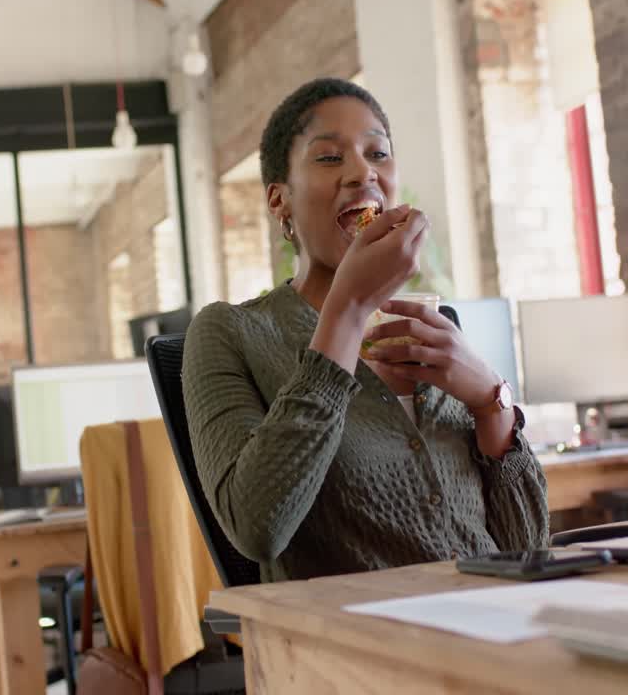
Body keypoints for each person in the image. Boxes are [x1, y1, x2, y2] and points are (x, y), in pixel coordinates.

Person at [183, 78, 549, 583]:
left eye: (378, 153)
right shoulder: (231, 332)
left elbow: (528, 549)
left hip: (496, 626)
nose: (362, 172)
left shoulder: (440, 331)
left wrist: (490, 399)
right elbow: (256, 527)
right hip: (359, 647)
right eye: (330, 158)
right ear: (279, 201)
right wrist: (348, 311)